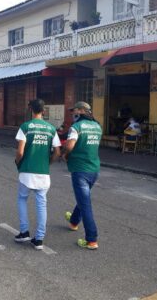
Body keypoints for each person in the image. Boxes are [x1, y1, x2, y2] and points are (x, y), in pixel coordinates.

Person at [14, 99, 61, 250]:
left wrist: (18, 162)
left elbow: (20, 152)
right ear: (43, 110)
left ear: (31, 110)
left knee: (22, 198)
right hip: (43, 173)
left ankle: (24, 231)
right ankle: (39, 239)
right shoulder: (51, 128)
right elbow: (57, 152)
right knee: (41, 203)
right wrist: (49, 163)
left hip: (27, 171)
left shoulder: (25, 127)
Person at [63, 101, 102, 250]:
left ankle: (91, 240)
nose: (73, 113)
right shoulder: (97, 126)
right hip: (94, 169)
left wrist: (65, 154)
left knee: (85, 204)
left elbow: (70, 145)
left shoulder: (76, 127)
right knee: (83, 198)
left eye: (75, 110)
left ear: (81, 111)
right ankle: (73, 222)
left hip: (80, 170)